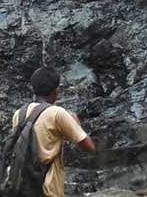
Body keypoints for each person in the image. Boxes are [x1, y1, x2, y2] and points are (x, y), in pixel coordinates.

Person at [10, 66, 95, 197]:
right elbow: (89, 146)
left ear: (33, 88)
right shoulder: (57, 113)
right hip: (48, 190)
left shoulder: (19, 113)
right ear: (56, 90)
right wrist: (76, 124)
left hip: (22, 187)